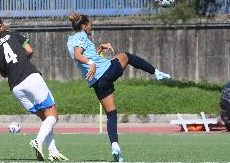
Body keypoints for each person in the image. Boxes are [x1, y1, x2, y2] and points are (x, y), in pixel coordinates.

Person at [67, 13, 171, 162]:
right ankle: (156, 72)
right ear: (84, 26)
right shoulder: (82, 36)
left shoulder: (71, 40)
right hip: (106, 71)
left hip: (97, 82)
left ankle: (115, 146)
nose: (91, 26)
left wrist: (100, 48)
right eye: (90, 24)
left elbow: (86, 55)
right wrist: (92, 64)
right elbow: (79, 55)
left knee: (111, 114)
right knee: (126, 56)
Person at [0, 18, 68, 162]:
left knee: (45, 118)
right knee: (53, 115)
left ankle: (53, 150)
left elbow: (3, 73)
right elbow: (29, 50)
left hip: (15, 87)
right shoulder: (12, 33)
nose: (3, 25)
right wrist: (22, 58)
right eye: (1, 23)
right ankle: (38, 141)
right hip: (30, 77)